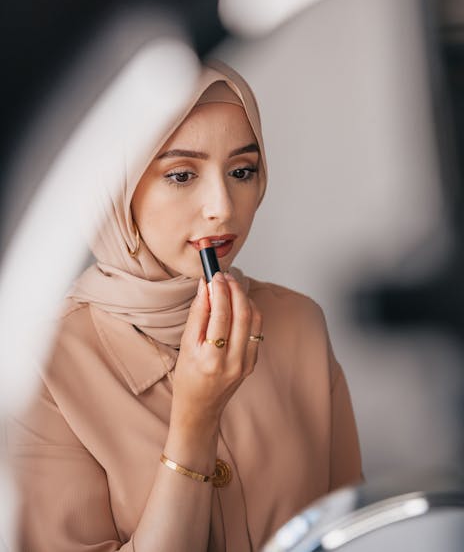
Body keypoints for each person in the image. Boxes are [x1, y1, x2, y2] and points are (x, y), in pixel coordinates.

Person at [9, 58, 362, 551]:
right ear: (117, 188)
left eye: (242, 170)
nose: (222, 204)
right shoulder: (38, 366)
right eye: (180, 175)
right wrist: (195, 420)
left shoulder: (299, 322)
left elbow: (356, 534)